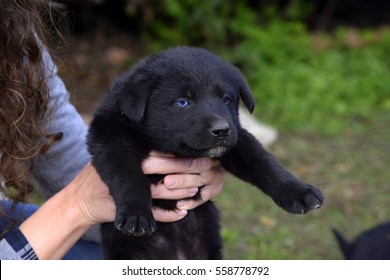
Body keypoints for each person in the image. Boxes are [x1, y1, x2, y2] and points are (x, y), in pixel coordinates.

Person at [0, 0, 225, 260]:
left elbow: (71, 160)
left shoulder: (12, 33)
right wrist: (77, 207)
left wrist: (166, 188)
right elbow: (83, 198)